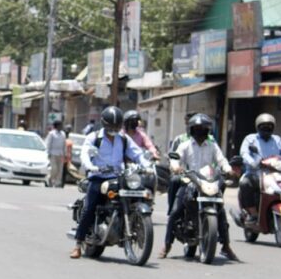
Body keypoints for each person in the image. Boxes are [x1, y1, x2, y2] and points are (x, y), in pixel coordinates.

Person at [70, 106, 150, 259]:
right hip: (99, 177)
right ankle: (78, 244)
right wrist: (91, 166)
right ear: (104, 124)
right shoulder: (94, 137)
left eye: (116, 126)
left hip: (119, 177)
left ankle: (136, 225)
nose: (113, 129)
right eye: (110, 126)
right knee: (90, 207)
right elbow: (85, 154)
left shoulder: (124, 139)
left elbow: (138, 154)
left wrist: (147, 166)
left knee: (139, 193)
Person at [159, 113, 239, 261]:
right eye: (197, 129)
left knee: (221, 213)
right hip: (191, 181)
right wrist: (176, 167)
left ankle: (226, 246)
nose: (200, 132)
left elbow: (222, 160)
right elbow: (175, 159)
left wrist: (228, 170)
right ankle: (167, 245)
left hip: (209, 182)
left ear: (208, 130)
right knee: (176, 211)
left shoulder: (212, 145)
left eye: (204, 129)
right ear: (191, 130)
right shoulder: (185, 145)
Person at [238, 113, 281, 225]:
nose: (266, 129)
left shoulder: (277, 140)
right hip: (255, 173)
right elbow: (244, 153)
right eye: (263, 126)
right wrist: (253, 162)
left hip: (275, 173)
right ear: (258, 127)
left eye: (269, 126)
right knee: (245, 183)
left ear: (273, 127)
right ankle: (253, 213)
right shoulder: (250, 139)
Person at [45, 120, 66, 188]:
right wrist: (48, 153)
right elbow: (48, 144)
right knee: (54, 169)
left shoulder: (63, 134)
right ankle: (50, 179)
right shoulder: (52, 133)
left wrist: (64, 153)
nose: (61, 126)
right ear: (57, 126)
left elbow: (64, 144)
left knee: (60, 170)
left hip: (60, 154)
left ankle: (57, 183)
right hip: (53, 153)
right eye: (60, 125)